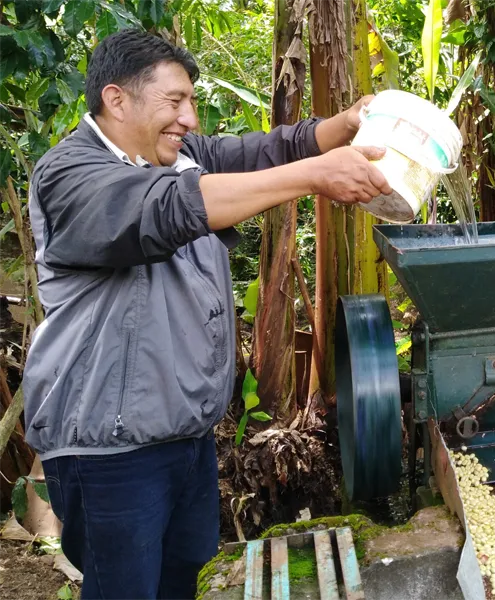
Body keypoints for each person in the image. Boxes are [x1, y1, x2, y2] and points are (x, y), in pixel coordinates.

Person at [22, 29, 392, 599]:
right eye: (175, 102)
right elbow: (165, 211)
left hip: (186, 439)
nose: (190, 119)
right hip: (111, 451)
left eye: (191, 102)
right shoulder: (71, 174)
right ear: (117, 100)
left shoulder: (177, 157)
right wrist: (316, 177)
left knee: (181, 585)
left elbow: (270, 148)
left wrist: (347, 123)